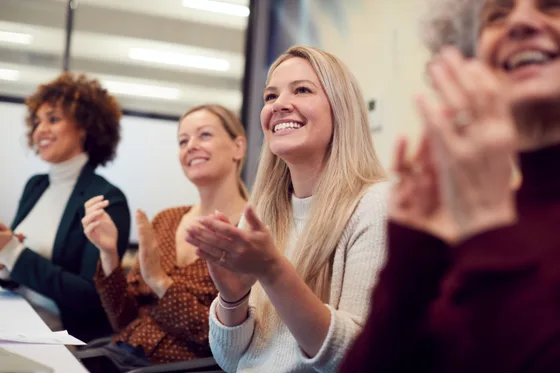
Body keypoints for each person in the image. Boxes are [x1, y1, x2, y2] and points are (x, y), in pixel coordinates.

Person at [339, 0, 560, 372]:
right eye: (497, 15)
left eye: (552, 5)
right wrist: (412, 257)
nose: (519, 22)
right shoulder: (471, 223)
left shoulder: (483, 223)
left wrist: (488, 230)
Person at [186, 46, 389, 373]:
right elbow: (231, 360)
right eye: (270, 96)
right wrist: (232, 298)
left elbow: (359, 358)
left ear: (341, 109)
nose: (278, 105)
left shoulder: (376, 205)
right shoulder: (263, 212)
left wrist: (272, 271)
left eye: (302, 90)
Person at [78, 104, 248, 372]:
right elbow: (124, 320)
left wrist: (160, 282)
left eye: (204, 135)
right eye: (183, 140)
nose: (190, 146)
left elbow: (229, 341)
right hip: (118, 354)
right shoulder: (166, 220)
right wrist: (109, 254)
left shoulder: (249, 233)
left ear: (238, 147)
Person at [0, 73, 130, 342]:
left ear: (85, 127)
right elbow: (19, 266)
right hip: (15, 313)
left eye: (53, 119)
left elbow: (90, 298)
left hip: (60, 334)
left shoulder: (107, 199)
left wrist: (13, 252)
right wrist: (5, 263)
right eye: (37, 122)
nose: (40, 131)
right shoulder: (35, 186)